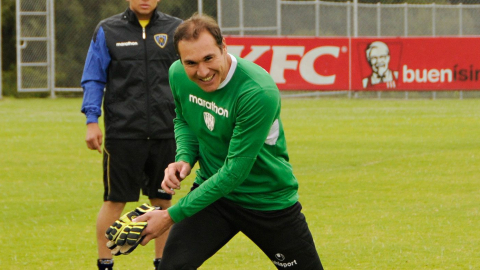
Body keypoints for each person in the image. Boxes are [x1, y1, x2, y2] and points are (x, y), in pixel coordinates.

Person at [132, 14, 324, 269]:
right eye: (191, 62)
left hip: (266, 200)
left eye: (209, 58)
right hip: (212, 196)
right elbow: (185, 118)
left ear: (224, 48)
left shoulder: (256, 91)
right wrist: (185, 157)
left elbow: (235, 172)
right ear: (180, 60)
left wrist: (170, 215)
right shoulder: (178, 74)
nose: (202, 72)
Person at [80, 0, 182, 269]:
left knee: (163, 201)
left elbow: (190, 76)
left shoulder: (177, 29)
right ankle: (105, 263)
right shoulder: (108, 30)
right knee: (114, 200)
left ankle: (163, 263)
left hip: (165, 131)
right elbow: (94, 77)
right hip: (123, 133)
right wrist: (92, 120)